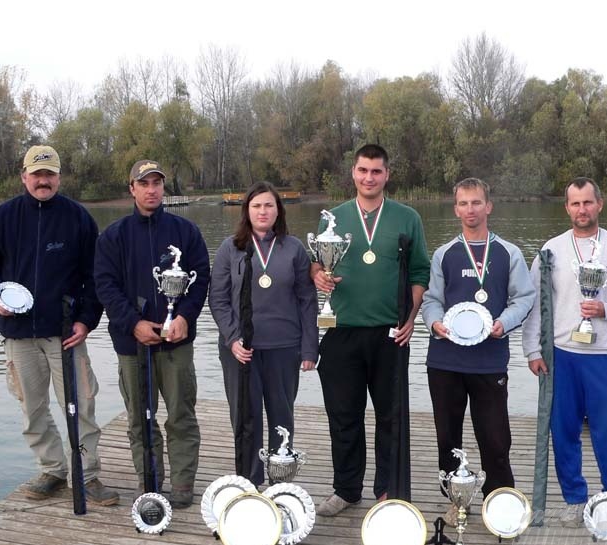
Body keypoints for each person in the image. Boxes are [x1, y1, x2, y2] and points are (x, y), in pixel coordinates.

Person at [0, 145, 119, 506]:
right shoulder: (3, 217)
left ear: (59, 177)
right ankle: (53, 469)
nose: (43, 181)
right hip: (18, 336)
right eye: (36, 174)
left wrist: (86, 320)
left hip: (66, 334)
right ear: (24, 177)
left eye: (49, 174)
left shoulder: (78, 218)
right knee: (31, 407)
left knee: (82, 405)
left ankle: (88, 474)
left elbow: (95, 276)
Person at [521, 177, 607, 525]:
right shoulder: (550, 250)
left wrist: (606, 310)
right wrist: (533, 349)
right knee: (563, 434)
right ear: (567, 208)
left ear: (600, 205)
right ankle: (575, 500)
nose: (582, 209)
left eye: (588, 202)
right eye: (575, 204)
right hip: (563, 356)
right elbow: (536, 305)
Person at [312, 144, 430, 516]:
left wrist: (410, 317)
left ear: (387, 175)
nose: (369, 177)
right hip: (341, 330)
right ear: (353, 172)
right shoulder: (333, 218)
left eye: (376, 171)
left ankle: (388, 489)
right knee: (344, 415)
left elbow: (419, 272)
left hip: (390, 333)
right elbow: (317, 265)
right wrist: (319, 276)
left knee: (390, 416)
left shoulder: (407, 217)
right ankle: (346, 489)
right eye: (363, 170)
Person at [94, 159, 210, 509]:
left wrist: (186, 317)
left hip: (176, 342)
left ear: (163, 188)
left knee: (181, 415)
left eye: (157, 183)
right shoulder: (113, 236)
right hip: (133, 345)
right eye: (144, 183)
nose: (151, 189)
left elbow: (200, 277)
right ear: (132, 188)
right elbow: (105, 285)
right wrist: (133, 323)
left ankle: (183, 484)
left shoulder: (185, 232)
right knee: (138, 419)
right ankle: (151, 481)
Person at [422, 178, 534, 525]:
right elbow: (431, 300)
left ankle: (500, 503)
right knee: (447, 436)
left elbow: (524, 298)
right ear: (455, 208)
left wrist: (504, 322)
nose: (470, 209)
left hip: (489, 360)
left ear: (489, 206)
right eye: (463, 203)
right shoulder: (444, 254)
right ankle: (456, 502)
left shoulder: (509, 253)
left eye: (476, 202)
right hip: (445, 360)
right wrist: (435, 323)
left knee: (495, 437)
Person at [209, 181, 318, 486]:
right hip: (241, 351)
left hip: (284, 347)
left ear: (278, 210)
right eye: (256, 205)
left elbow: (307, 300)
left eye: (269, 205)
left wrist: (310, 348)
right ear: (247, 210)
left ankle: (280, 482)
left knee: (282, 418)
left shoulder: (294, 248)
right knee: (246, 418)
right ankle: (249, 482)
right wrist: (232, 339)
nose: (263, 211)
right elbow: (217, 299)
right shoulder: (230, 249)